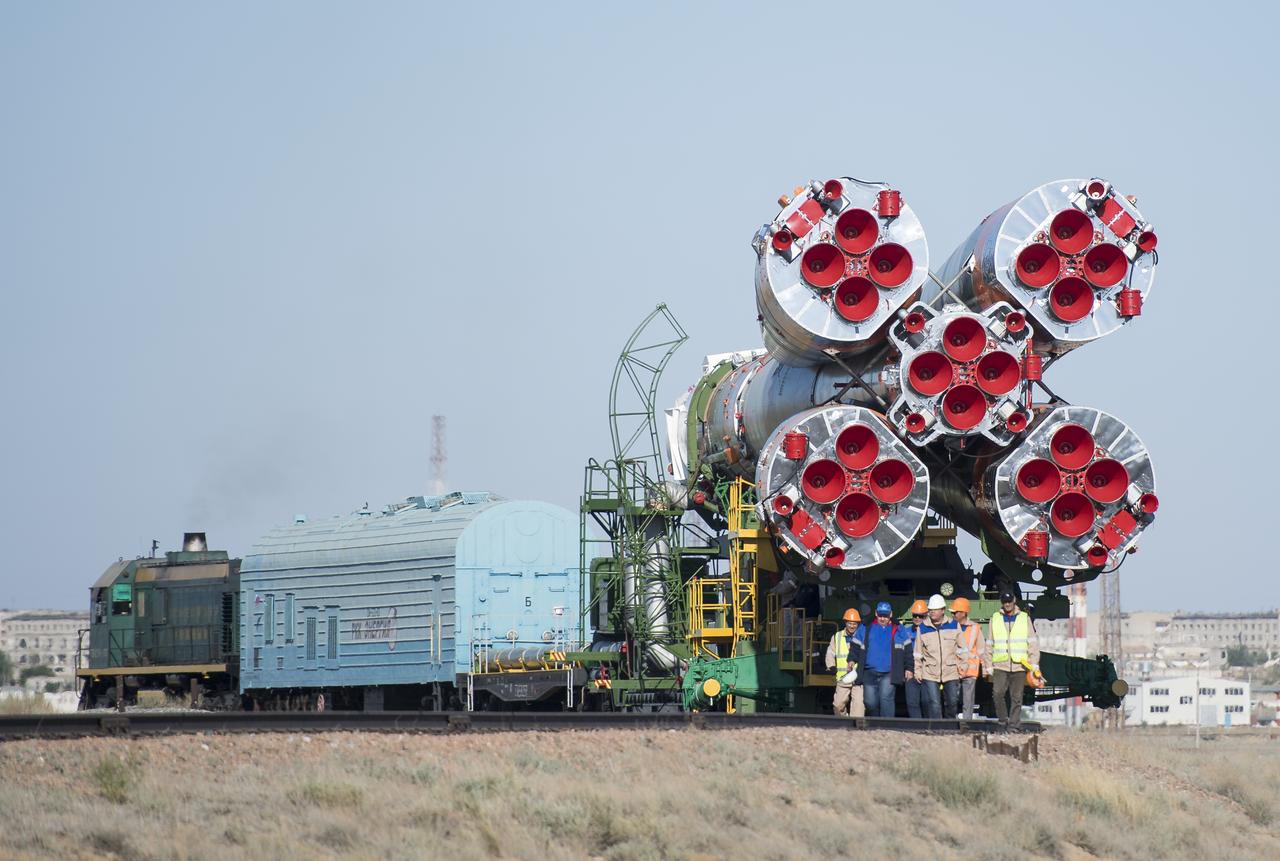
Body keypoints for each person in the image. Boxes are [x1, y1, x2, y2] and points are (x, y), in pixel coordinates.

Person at [983, 590, 1041, 730]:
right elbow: (989, 643)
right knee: (997, 694)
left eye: (1009, 601)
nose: (1007, 604)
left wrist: (1034, 663)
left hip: (1019, 665)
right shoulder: (995, 618)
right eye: (1004, 602)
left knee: (1016, 697)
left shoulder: (1024, 618)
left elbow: (1032, 642)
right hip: (1000, 665)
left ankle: (1013, 725)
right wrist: (988, 664)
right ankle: (1003, 721)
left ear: (1014, 601)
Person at [859, 601, 913, 717]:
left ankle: (886, 726)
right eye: (880, 615)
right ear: (876, 614)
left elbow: (908, 650)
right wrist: (851, 659)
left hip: (889, 672)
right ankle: (874, 724)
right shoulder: (866, 627)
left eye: (886, 616)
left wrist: (909, 668)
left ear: (891, 614)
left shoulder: (899, 629)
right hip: (869, 672)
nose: (883, 618)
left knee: (886, 699)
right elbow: (855, 645)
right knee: (869, 702)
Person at [913, 594, 960, 719]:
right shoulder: (922, 628)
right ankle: (937, 729)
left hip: (951, 671)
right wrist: (918, 671)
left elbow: (962, 649)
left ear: (942, 610)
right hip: (930, 672)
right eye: (930, 609)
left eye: (935, 609)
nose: (931, 612)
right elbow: (918, 652)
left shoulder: (954, 625)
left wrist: (962, 667)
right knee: (934, 704)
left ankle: (950, 727)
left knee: (952, 702)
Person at [825, 608, 865, 718]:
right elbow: (830, 653)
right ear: (845, 623)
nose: (852, 626)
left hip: (858, 679)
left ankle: (855, 731)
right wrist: (831, 666)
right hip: (843, 678)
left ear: (858, 624)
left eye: (855, 624)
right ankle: (844, 723)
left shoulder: (863, 637)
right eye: (850, 623)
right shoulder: (837, 637)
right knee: (838, 706)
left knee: (858, 709)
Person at [951, 597, 986, 720]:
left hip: (970, 671)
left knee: (968, 701)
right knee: (951, 700)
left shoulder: (975, 628)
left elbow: (981, 650)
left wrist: (985, 668)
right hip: (953, 670)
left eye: (956, 612)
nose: (953, 614)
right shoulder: (950, 627)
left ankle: (967, 723)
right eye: (952, 613)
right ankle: (951, 723)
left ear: (964, 613)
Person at [903, 599, 928, 718]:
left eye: (921, 616)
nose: (917, 618)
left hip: (928, 672)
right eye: (915, 615)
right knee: (912, 702)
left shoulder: (932, 632)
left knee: (927, 702)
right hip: (911, 671)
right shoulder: (906, 633)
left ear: (926, 616)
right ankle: (916, 727)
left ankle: (929, 725)